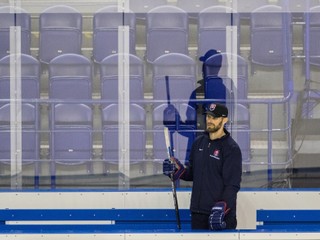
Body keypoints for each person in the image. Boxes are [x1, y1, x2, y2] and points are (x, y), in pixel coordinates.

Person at [163, 103, 242, 230]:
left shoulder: (231, 149)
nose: (209, 120)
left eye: (214, 118)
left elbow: (232, 185)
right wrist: (178, 170)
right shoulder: (198, 143)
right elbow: (193, 173)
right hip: (198, 214)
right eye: (208, 116)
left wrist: (222, 207)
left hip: (220, 216)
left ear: (224, 119)